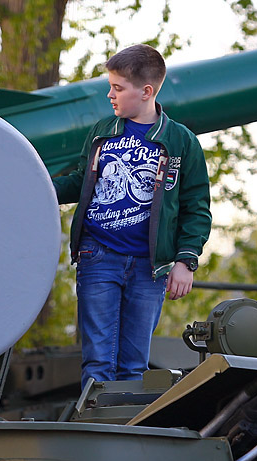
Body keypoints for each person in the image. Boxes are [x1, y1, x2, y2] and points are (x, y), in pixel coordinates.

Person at [52, 44, 211, 390]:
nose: (110, 95)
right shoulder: (102, 132)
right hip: (99, 256)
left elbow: (196, 205)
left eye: (118, 88)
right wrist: (40, 187)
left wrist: (186, 260)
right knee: (97, 358)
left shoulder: (180, 141)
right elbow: (81, 182)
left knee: (134, 363)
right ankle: (94, 429)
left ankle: (125, 428)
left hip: (149, 267)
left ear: (146, 92)